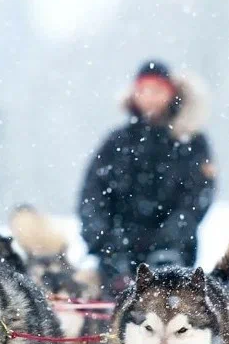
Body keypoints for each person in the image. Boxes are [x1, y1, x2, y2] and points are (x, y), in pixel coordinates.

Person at [79, 60, 216, 296]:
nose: (150, 97)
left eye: (158, 90)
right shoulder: (116, 142)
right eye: (144, 90)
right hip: (116, 259)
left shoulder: (192, 141)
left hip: (174, 257)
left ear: (172, 94)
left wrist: (170, 241)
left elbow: (197, 197)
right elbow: (92, 196)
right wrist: (107, 244)